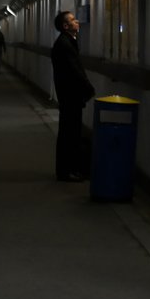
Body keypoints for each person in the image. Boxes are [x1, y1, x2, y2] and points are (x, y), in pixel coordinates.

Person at [51, 10, 94, 182]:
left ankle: (67, 169)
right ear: (65, 26)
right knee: (70, 134)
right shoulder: (65, 44)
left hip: (68, 95)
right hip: (70, 96)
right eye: (73, 20)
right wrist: (88, 88)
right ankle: (67, 171)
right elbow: (74, 70)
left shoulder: (66, 42)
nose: (77, 22)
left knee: (68, 133)